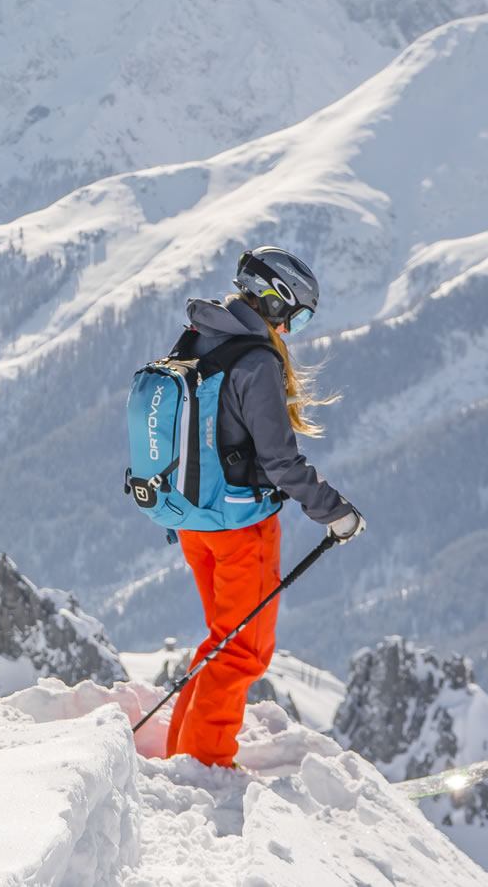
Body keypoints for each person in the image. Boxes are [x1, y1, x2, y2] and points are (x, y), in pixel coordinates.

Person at [161, 246, 364, 768]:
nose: (292, 330)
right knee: (242, 651)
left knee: (220, 639)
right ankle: (202, 767)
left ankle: (181, 757)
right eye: (295, 316)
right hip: (239, 530)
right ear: (274, 300)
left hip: (192, 521)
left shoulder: (203, 334)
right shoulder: (254, 361)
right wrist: (335, 512)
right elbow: (279, 461)